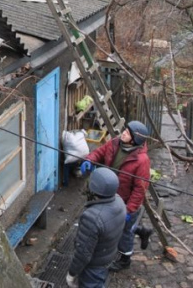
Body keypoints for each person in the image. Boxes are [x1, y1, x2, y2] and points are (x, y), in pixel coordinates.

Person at [80, 120, 151, 271]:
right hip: (110, 195)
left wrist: (129, 210)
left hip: (125, 202)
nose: (123, 132)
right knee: (113, 225)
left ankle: (125, 259)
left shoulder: (142, 160)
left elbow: (140, 189)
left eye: (127, 132)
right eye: (125, 130)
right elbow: (99, 152)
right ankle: (142, 231)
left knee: (124, 232)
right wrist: (89, 160)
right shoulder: (115, 143)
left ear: (134, 140)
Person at [65, 168, 126, 288]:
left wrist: (72, 273)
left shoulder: (92, 217)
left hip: (94, 266)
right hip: (107, 256)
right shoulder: (119, 200)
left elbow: (83, 253)